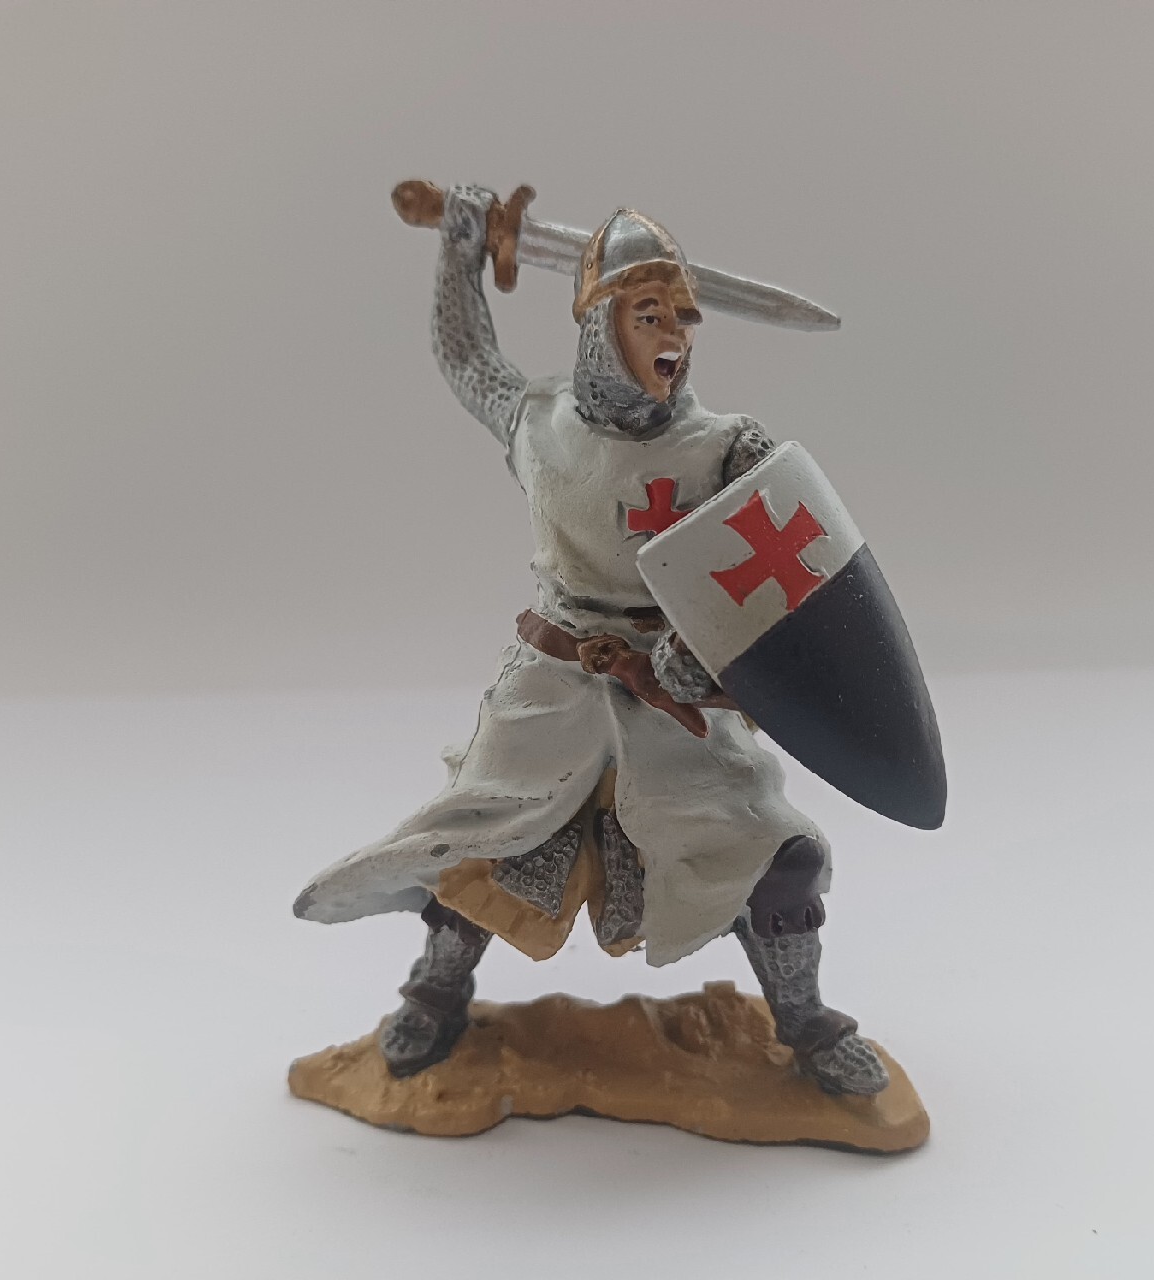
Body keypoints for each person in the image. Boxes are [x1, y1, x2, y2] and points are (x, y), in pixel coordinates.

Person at [293, 185, 888, 1096]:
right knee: (479, 842)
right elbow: (467, 357)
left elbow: (786, 589)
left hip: (674, 697)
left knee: (779, 855)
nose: (675, 336)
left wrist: (699, 660)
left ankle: (806, 1024)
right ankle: (434, 996)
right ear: (600, 325)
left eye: (683, 318)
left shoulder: (728, 449)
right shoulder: (540, 424)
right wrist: (459, 252)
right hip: (548, 692)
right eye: (650, 315)